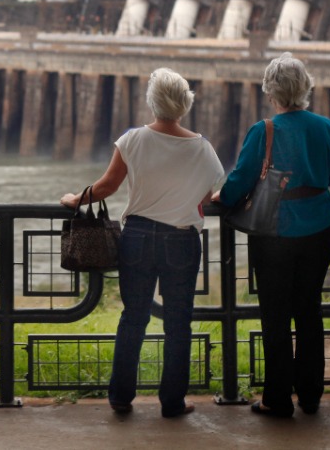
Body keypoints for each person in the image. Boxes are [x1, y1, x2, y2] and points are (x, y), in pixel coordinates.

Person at [60, 68, 225, 419]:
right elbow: (207, 196)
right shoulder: (202, 148)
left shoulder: (133, 139)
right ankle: (172, 402)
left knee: (133, 317)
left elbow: (107, 186)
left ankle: (121, 397)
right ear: (185, 103)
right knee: (178, 323)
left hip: (137, 237)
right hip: (182, 239)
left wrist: (76, 199)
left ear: (152, 101)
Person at [213, 53, 330, 418]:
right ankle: (311, 394)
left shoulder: (264, 130)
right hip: (320, 228)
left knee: (275, 316)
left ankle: (277, 398)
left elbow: (240, 180)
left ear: (271, 91)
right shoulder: (325, 126)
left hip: (275, 232)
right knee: (309, 311)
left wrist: (222, 197)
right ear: (305, 88)